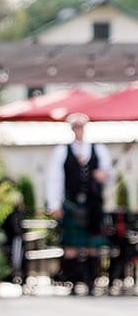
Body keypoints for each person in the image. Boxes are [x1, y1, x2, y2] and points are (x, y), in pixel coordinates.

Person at [46, 111, 114, 295]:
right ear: (71, 129)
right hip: (71, 202)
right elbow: (55, 179)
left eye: (81, 127)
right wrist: (54, 204)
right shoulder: (62, 150)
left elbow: (110, 174)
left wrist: (104, 175)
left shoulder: (98, 149)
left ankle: (92, 283)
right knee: (71, 247)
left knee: (93, 245)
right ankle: (73, 283)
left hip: (93, 203)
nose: (78, 130)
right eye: (75, 127)